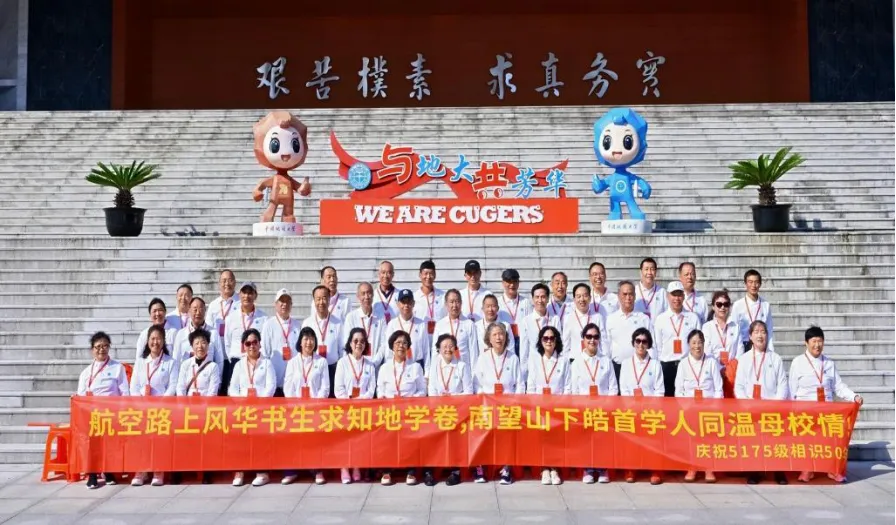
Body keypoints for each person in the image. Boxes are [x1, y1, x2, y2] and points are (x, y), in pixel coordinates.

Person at [789, 326, 863, 484]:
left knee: (831, 440)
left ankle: (832, 470)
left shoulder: (829, 363)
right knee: (807, 440)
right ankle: (807, 469)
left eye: (820, 341)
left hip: (827, 410)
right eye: (814, 341)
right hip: (806, 411)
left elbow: (839, 386)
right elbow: (792, 390)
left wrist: (854, 396)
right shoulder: (797, 362)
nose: (817, 345)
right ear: (806, 343)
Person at [733, 320, 789, 485]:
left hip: (772, 409)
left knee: (775, 442)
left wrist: (775, 405)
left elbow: (783, 385)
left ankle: (778, 471)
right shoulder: (744, 359)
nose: (760, 335)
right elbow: (739, 386)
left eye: (763, 332)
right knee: (753, 442)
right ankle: (754, 471)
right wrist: (747, 405)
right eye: (756, 332)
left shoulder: (775, 358)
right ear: (750, 336)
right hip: (751, 409)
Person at [472, 322, 523, 484]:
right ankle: (480, 468)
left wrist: (514, 402)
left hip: (508, 407)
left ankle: (506, 468)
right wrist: (485, 399)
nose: (498, 338)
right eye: (494, 334)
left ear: (506, 337)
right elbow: (477, 384)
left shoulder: (513, 358)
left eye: (501, 334)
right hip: (487, 406)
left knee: (507, 435)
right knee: (481, 432)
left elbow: (520, 384)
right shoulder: (483, 358)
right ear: (489, 338)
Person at [77, 331, 129, 489]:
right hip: (92, 414)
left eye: (105, 346)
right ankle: (92, 474)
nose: (102, 349)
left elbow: (124, 392)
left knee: (110, 444)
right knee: (93, 443)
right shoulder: (86, 372)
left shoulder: (117, 367)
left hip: (111, 413)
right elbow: (81, 395)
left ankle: (108, 471)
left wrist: (122, 412)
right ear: (92, 349)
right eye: (98, 347)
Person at [376, 330, 427, 486]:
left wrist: (411, 400)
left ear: (408, 347)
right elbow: (380, 389)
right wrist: (383, 398)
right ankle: (387, 471)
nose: (401, 346)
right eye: (397, 343)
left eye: (404, 343)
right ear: (392, 346)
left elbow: (422, 390)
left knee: (410, 440)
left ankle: (411, 471)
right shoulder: (385, 367)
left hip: (409, 411)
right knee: (387, 440)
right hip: (390, 411)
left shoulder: (415, 367)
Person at [281, 327, 330, 485]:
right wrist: (296, 405)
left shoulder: (321, 362)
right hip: (296, 409)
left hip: (315, 409)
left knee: (315, 440)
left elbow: (325, 387)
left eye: (312, 339)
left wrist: (315, 404)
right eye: (306, 339)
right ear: (300, 342)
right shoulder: (292, 362)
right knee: (292, 439)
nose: (309, 342)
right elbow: (287, 386)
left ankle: (317, 470)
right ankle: (291, 471)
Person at [129, 325, 177, 487]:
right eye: (152, 339)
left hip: (162, 410)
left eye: (158, 339)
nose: (155, 342)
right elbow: (134, 387)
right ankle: (141, 470)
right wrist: (141, 404)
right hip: (142, 409)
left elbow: (172, 386)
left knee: (159, 440)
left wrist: (161, 404)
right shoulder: (140, 362)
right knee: (141, 440)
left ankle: (158, 470)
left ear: (163, 341)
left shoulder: (170, 362)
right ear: (147, 341)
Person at [569, 323, 617, 484]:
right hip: (584, 410)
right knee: (586, 440)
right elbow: (574, 390)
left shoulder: (606, 361)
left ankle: (602, 468)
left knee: (602, 440)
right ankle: (588, 469)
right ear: (583, 339)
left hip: (603, 409)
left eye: (595, 337)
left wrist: (606, 407)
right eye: (589, 336)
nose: (592, 340)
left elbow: (613, 388)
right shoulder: (576, 362)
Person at [228, 329, 277, 487]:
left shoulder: (267, 363)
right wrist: (241, 402)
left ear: (260, 344)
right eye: (248, 343)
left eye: (255, 342)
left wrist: (259, 404)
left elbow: (271, 386)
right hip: (243, 410)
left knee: (260, 440)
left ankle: (262, 472)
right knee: (240, 441)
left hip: (261, 410)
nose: (251, 346)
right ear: (243, 346)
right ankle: (239, 471)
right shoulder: (239, 365)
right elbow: (232, 388)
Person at [674, 330, 722, 483]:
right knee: (691, 439)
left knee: (709, 438)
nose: (697, 346)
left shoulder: (711, 362)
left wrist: (714, 407)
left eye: (700, 342)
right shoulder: (683, 364)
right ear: (688, 344)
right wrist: (686, 407)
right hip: (690, 409)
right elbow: (679, 390)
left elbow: (718, 388)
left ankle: (709, 468)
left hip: (709, 408)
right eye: (694, 343)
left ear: (704, 344)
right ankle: (692, 466)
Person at [618, 327, 664, 485]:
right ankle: (631, 469)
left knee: (653, 441)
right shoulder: (626, 364)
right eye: (638, 341)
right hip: (631, 410)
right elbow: (624, 389)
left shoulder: (655, 364)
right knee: (631, 440)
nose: (641, 344)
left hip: (650, 411)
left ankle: (655, 470)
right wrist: (632, 407)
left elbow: (659, 390)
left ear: (649, 344)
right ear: (633, 343)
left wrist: (649, 408)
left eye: (644, 341)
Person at [427, 334, 473, 486]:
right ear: (439, 349)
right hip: (438, 410)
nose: (448, 349)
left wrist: (452, 398)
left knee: (455, 439)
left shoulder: (462, 366)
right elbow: (431, 389)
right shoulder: (434, 366)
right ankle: (431, 471)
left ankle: (455, 471)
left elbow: (468, 391)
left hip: (457, 411)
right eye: (444, 346)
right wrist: (438, 405)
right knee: (433, 437)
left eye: (451, 346)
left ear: (455, 348)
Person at [333, 327, 377, 484]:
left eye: (362, 341)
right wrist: (349, 403)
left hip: (363, 409)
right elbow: (338, 389)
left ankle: (357, 466)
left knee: (359, 440)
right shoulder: (342, 363)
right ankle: (344, 467)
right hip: (345, 408)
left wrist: (360, 401)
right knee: (345, 439)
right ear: (350, 343)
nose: (359, 344)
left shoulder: (370, 364)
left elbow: (371, 389)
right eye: (356, 341)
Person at [527, 325, 570, 486]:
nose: (549, 341)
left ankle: (554, 468)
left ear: (556, 340)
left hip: (558, 407)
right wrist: (535, 406)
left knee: (555, 439)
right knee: (542, 438)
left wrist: (560, 405)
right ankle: (544, 468)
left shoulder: (563, 361)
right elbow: (531, 386)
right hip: (539, 407)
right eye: (545, 338)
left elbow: (567, 387)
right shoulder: (535, 361)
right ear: (541, 341)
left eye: (552, 338)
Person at [653, 281, 701, 397]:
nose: (676, 298)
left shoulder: (693, 318)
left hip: (687, 365)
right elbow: (657, 346)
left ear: (683, 296)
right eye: (673, 295)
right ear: (667, 296)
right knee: (668, 400)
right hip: (667, 365)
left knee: (687, 399)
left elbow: (698, 343)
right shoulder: (661, 319)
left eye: (679, 294)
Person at [223, 282, 266, 393]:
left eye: (250, 293)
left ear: (255, 295)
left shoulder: (264, 318)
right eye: (244, 292)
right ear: (239, 295)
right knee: (234, 395)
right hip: (236, 361)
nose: (246, 296)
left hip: (255, 363)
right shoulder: (231, 318)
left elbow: (264, 343)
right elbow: (227, 342)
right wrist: (235, 358)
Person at [302, 285, 345, 397]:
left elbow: (342, 349)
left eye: (324, 298)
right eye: (318, 299)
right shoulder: (307, 323)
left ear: (329, 299)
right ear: (314, 301)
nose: (321, 302)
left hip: (333, 369)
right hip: (313, 370)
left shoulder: (338, 323)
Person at [605, 281, 652, 382]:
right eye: (624, 294)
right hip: (617, 367)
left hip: (639, 368)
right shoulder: (611, 319)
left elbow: (651, 346)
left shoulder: (643, 318)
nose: (628, 297)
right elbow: (607, 345)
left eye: (630, 294)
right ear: (618, 296)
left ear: (635, 296)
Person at [260, 289, 301, 395]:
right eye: (282, 301)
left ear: (291, 305)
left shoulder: (297, 325)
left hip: (293, 382)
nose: (284, 304)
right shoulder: (268, 325)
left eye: (287, 301)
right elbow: (265, 353)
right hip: (274, 381)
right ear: (276, 304)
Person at [701, 290, 741, 398]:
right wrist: (719, 369)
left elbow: (739, 352)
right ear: (713, 307)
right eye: (719, 304)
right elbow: (707, 352)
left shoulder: (736, 327)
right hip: (713, 372)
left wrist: (729, 369)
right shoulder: (707, 327)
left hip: (732, 374)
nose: (722, 307)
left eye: (726, 304)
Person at [172, 297, 224, 372]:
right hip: (187, 377)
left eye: (201, 309)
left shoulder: (213, 333)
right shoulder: (181, 334)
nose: (198, 312)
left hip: (208, 376)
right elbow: (176, 360)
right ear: (189, 310)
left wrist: (217, 377)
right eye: (195, 309)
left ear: (205, 311)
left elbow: (219, 361)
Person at [345, 282, 388, 369]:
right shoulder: (351, 317)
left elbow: (384, 344)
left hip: (375, 365)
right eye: (363, 293)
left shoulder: (381, 317)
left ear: (373, 295)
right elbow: (348, 342)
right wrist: (357, 362)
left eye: (369, 293)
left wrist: (375, 362)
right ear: (358, 296)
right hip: (356, 366)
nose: (366, 296)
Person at [385, 289, 429, 372]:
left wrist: (427, 373)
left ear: (413, 303)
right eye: (403, 302)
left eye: (409, 302)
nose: (406, 305)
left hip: (416, 366)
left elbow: (426, 350)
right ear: (398, 304)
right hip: (397, 366)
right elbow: (388, 351)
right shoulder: (392, 324)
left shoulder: (421, 324)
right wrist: (390, 369)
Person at [731, 269, 775, 353]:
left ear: (760, 284)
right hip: (743, 345)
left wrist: (770, 349)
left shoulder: (765, 305)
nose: (753, 285)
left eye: (756, 282)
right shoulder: (738, 305)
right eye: (750, 282)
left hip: (760, 344)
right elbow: (734, 330)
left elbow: (769, 329)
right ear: (745, 284)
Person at [433, 289, 479, 369]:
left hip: (464, 369)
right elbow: (435, 352)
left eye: (457, 302)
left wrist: (474, 373)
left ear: (461, 303)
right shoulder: (440, 325)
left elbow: (473, 353)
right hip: (444, 370)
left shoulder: (469, 324)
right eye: (451, 302)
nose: (454, 305)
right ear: (446, 304)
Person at [562, 283, 607, 362]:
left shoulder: (597, 317)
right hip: (575, 360)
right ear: (574, 299)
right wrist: (566, 361)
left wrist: (605, 359)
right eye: (578, 296)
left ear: (590, 298)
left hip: (594, 360)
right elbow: (566, 344)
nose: (582, 299)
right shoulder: (568, 318)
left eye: (585, 296)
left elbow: (603, 341)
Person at [176, 329, 221, 397]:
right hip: (187, 402)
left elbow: (213, 391)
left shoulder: (213, 366)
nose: (200, 346)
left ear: (208, 345)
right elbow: (180, 387)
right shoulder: (185, 364)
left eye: (203, 343)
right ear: (192, 346)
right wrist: (183, 402)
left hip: (206, 402)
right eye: (197, 343)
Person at [497, 268, 531, 350]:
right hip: (505, 342)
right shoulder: (498, 302)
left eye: (515, 281)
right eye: (509, 281)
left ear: (518, 283)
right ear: (503, 283)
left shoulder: (525, 302)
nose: (512, 285)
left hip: (522, 341)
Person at [134, 298, 178, 362]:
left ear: (165, 312)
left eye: (160, 310)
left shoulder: (174, 332)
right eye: (154, 311)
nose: (157, 314)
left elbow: (177, 356)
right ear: (150, 314)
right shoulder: (145, 333)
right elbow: (139, 357)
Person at [413, 259, 447, 328]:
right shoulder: (414, 297)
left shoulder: (443, 296)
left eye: (431, 273)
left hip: (439, 334)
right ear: (420, 275)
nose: (428, 277)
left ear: (435, 275)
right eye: (425, 273)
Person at [206, 270, 238, 339]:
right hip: (217, 342)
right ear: (219, 283)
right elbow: (208, 327)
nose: (227, 283)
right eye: (224, 281)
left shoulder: (241, 303)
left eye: (230, 280)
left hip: (235, 342)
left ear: (235, 282)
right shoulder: (213, 305)